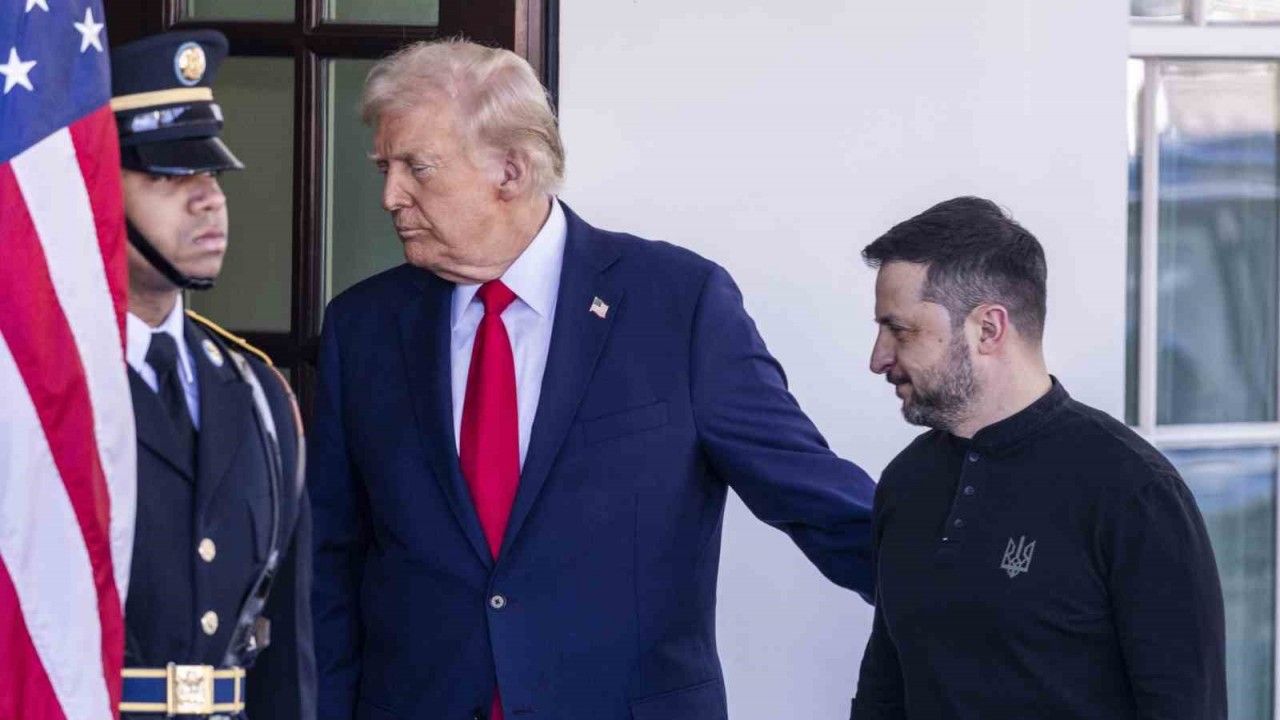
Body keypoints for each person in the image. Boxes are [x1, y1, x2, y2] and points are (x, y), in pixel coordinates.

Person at [309, 38, 876, 720]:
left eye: (417, 168)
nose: (390, 196)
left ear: (511, 170)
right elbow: (326, 564)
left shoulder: (677, 304)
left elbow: (810, 492)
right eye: (385, 168)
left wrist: (967, 590)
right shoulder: (362, 328)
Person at [852, 196, 1226, 719]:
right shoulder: (906, 481)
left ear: (988, 329)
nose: (878, 358)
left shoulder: (1134, 490)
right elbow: (883, 693)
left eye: (900, 330)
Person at [110, 30, 314, 720]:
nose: (209, 200)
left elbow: (285, 654)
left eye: (213, 174)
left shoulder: (258, 392)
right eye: (170, 177)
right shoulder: (35, 390)